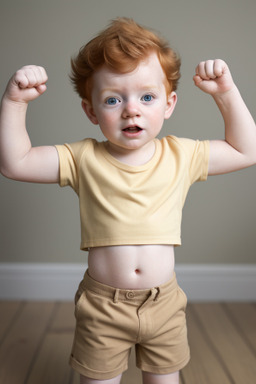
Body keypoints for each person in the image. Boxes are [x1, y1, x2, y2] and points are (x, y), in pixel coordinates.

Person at [0, 17, 255, 384]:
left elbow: (246, 150)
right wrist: (14, 102)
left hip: (164, 303)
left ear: (169, 104)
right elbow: (14, 163)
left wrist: (225, 93)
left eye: (147, 97)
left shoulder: (181, 155)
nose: (131, 109)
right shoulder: (83, 158)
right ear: (91, 111)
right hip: (103, 307)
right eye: (113, 99)